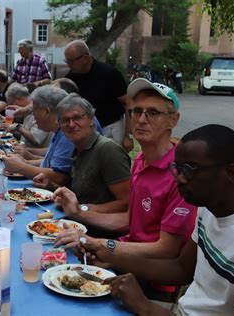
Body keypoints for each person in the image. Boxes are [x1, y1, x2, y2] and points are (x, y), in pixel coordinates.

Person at [84, 125, 234, 316]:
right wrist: (111, 257)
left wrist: (145, 307)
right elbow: (181, 268)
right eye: (177, 168)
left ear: (230, 172)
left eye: (190, 169)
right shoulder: (208, 208)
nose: (179, 178)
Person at [54, 79, 197, 298]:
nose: (141, 119)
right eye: (136, 111)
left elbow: (166, 249)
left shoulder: (180, 175)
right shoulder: (141, 160)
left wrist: (100, 244)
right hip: (123, 261)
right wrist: (79, 214)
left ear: (173, 120)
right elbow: (130, 220)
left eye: (153, 113)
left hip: (152, 282)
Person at [34, 93, 130, 215]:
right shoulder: (78, 148)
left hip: (97, 230)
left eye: (77, 118)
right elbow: (81, 194)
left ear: (91, 120)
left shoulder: (108, 150)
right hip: (76, 221)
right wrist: (51, 186)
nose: (71, 124)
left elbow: (127, 203)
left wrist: (83, 209)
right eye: (65, 120)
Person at [64, 40, 133, 152]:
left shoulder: (109, 74)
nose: (68, 65)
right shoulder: (71, 77)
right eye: (67, 61)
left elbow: (128, 103)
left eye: (71, 61)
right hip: (86, 130)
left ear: (85, 58)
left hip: (110, 128)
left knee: (108, 162)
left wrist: (127, 136)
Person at [2, 85, 73, 185]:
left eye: (34, 111)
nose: (33, 116)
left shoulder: (67, 133)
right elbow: (52, 163)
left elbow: (59, 176)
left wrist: (22, 167)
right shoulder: (58, 130)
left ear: (47, 111)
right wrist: (25, 162)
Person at [3, 83, 53, 148]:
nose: (12, 107)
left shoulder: (39, 112)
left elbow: (35, 140)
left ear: (18, 99)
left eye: (11, 103)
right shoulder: (27, 112)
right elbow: (25, 134)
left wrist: (17, 127)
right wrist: (13, 129)